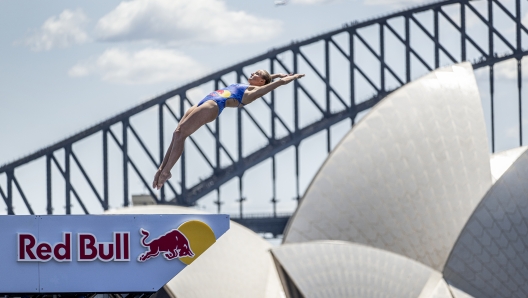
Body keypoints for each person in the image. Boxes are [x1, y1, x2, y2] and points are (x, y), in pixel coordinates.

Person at [152, 70, 305, 190]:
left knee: (181, 134)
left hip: (213, 105)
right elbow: (268, 79)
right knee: (176, 133)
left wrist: (292, 77)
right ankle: (162, 168)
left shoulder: (252, 93)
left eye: (256, 74)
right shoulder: (250, 85)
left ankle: (166, 172)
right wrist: (276, 74)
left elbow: (275, 84)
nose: (252, 73)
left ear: (261, 82)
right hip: (205, 101)